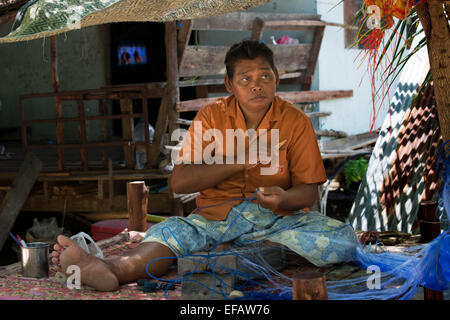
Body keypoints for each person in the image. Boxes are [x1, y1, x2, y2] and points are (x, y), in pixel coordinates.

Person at [51, 40, 359, 292]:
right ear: (229, 84)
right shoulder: (211, 118)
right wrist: (240, 162)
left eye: (265, 76)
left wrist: (284, 198)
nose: (257, 86)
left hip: (277, 225)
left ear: (276, 78)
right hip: (214, 220)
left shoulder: (296, 122)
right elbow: (180, 183)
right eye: (246, 79)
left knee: (343, 239)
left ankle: (251, 251)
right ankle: (111, 269)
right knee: (170, 233)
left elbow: (308, 194)